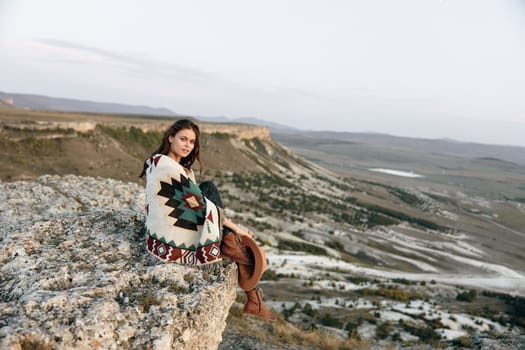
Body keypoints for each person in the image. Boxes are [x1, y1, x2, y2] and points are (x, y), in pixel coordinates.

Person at [139, 119, 276, 321]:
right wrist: (233, 227)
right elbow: (198, 204)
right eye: (183, 139)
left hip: (176, 218)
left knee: (208, 188)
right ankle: (250, 288)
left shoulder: (169, 165)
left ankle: (236, 256)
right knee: (209, 195)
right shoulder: (166, 167)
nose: (187, 145)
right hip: (170, 230)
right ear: (171, 138)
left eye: (192, 142)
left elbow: (191, 200)